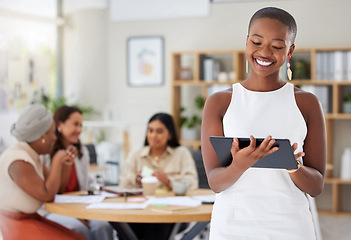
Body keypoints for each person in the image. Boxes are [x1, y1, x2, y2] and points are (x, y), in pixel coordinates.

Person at [201, 7, 326, 240]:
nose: (264, 52)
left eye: (277, 46)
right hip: (233, 225)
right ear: (246, 41)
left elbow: (316, 186)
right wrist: (239, 165)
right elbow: (215, 182)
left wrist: (293, 166)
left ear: (290, 51)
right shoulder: (219, 102)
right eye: (257, 41)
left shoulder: (307, 103)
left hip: (290, 226)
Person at [0, 103, 85, 240]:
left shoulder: (32, 156)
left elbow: (57, 189)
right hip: (14, 224)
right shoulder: (18, 160)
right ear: (41, 136)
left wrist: (67, 162)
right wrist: (57, 161)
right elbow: (47, 195)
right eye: (52, 133)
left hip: (31, 218)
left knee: (80, 237)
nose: (55, 138)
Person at [118, 112, 198, 240]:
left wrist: (168, 181)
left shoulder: (181, 153)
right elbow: (122, 182)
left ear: (170, 134)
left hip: (171, 211)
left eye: (159, 131)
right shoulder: (136, 154)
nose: (154, 135)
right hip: (139, 211)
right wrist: (136, 180)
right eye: (150, 130)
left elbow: (192, 182)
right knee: (124, 227)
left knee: (159, 224)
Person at [42, 105, 114, 240]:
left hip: (79, 204)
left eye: (81, 125)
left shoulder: (82, 152)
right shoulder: (47, 153)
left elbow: (86, 182)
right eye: (75, 124)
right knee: (79, 229)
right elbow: (54, 191)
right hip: (54, 208)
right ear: (60, 125)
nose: (79, 130)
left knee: (103, 226)